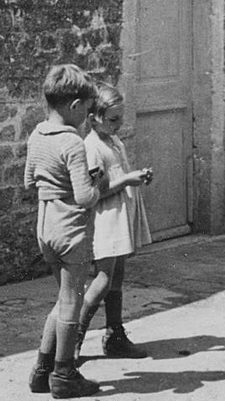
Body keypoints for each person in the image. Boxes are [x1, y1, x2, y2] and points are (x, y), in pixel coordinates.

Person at [25, 64, 108, 398]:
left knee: (62, 298)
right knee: (72, 301)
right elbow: (85, 197)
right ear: (74, 106)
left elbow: (29, 181)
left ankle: (41, 371)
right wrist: (97, 182)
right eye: (86, 110)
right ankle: (64, 374)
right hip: (70, 229)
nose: (87, 117)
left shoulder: (37, 134)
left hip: (45, 226)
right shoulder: (73, 142)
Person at [74, 82, 153, 361]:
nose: (119, 124)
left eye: (121, 118)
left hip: (118, 217)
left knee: (116, 278)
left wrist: (136, 176)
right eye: (113, 119)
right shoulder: (92, 147)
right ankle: (73, 339)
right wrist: (128, 180)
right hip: (105, 220)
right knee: (103, 280)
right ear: (94, 118)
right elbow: (96, 192)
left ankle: (114, 335)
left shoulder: (113, 141)